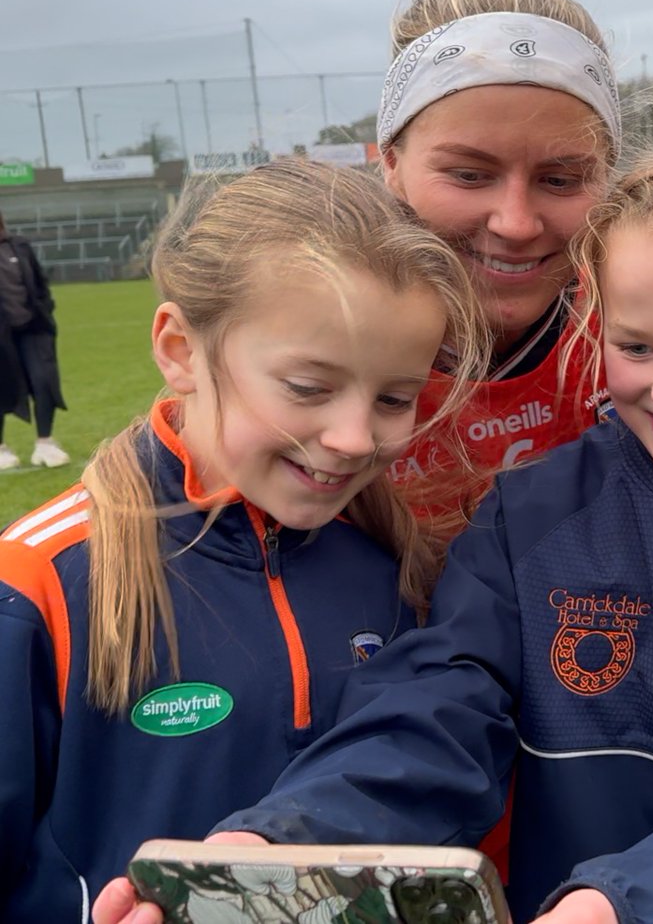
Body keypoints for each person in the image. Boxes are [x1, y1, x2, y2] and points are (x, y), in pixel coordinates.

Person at [98, 139, 653, 924]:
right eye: (636, 346)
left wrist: (627, 904)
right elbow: (440, 707)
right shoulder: (530, 512)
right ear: (598, 327)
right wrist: (282, 841)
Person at [0, 158, 489, 924]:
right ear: (180, 348)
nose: (354, 437)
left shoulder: (393, 567)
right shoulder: (39, 584)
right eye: (308, 387)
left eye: (396, 398)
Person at [375, 0, 619, 503]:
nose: (515, 223)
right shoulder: (306, 350)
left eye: (560, 180)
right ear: (391, 161)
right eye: (469, 174)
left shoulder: (650, 339)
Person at [0, 210, 69, 470]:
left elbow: (40, 283)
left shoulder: (19, 246)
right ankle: (1, 449)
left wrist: (45, 308)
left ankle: (45, 443)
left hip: (34, 329)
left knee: (44, 381)